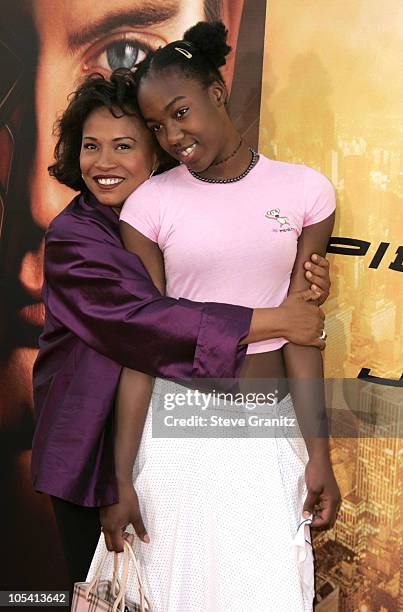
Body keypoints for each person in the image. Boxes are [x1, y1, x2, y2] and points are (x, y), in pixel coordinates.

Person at [31, 68, 331, 599]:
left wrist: (297, 278)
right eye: (90, 147)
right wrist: (277, 318)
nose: (104, 163)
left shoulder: (167, 212)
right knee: (116, 595)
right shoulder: (75, 237)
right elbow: (146, 322)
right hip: (90, 451)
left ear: (156, 153)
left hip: (173, 433)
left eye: (124, 145)